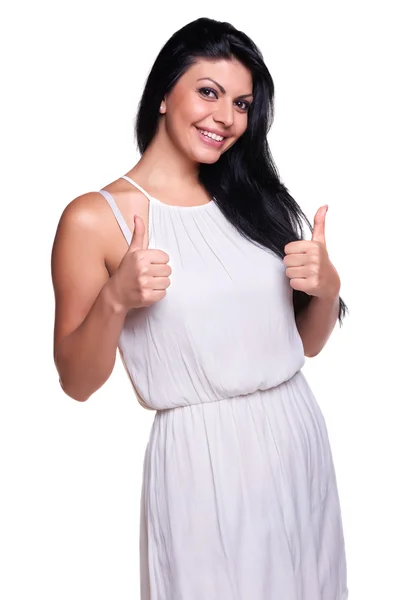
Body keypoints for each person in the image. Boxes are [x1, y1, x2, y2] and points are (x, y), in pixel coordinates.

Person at [51, 16, 349, 600]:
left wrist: (328, 288)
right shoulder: (95, 219)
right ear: (165, 93)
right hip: (203, 461)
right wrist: (116, 299)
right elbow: (76, 382)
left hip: (297, 436)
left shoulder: (249, 197)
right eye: (208, 92)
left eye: (241, 103)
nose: (226, 118)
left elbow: (305, 345)